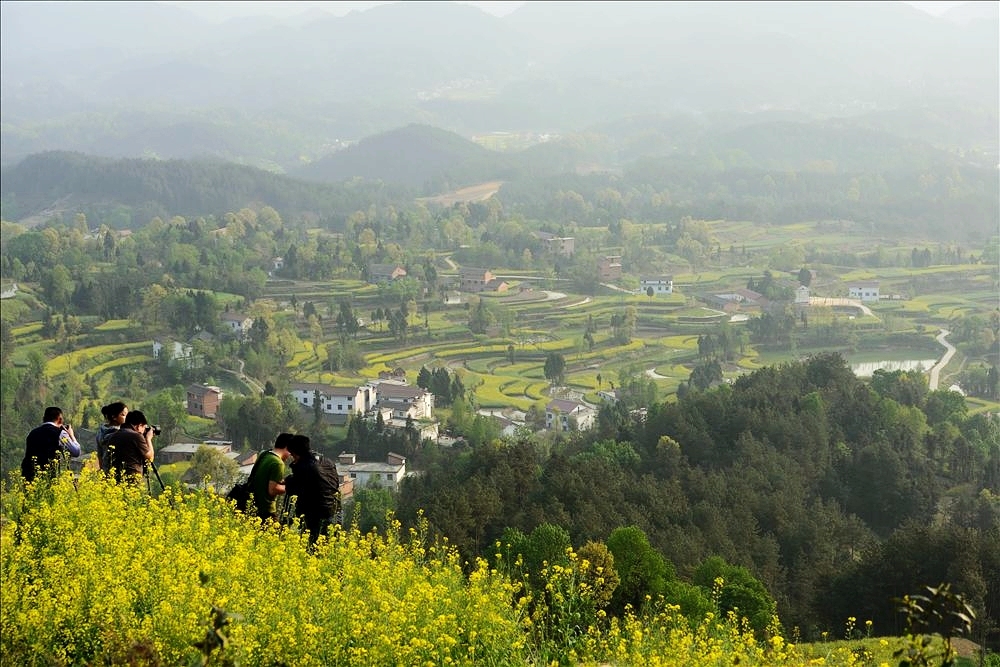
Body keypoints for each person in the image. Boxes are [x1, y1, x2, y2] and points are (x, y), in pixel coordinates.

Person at [284, 435, 337, 546]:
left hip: (312, 517)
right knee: (326, 547)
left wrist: (288, 480)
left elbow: (293, 490)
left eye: (292, 455)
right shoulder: (327, 462)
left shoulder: (304, 467)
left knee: (312, 548)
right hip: (331, 513)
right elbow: (334, 484)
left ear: (295, 453)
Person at [21, 406, 82, 482]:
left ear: (44, 419)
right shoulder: (60, 433)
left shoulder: (32, 433)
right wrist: (71, 435)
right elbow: (76, 452)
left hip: (28, 475)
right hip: (49, 476)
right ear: (60, 419)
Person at [106, 410, 155, 485]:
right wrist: (148, 438)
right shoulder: (136, 436)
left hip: (114, 479)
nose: (144, 431)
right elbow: (149, 457)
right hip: (132, 478)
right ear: (139, 426)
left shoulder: (113, 436)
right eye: (144, 427)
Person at [250, 433, 291, 522]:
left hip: (252, 504)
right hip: (266, 509)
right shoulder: (278, 463)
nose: (290, 455)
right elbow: (272, 490)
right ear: (287, 447)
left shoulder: (264, 454)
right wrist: (289, 487)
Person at [95, 401, 127, 474]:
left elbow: (99, 454)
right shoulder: (119, 434)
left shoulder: (100, 432)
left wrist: (102, 468)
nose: (126, 418)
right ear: (114, 417)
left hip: (105, 471)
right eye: (123, 415)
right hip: (118, 472)